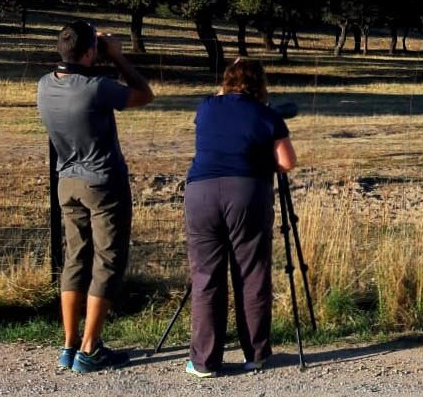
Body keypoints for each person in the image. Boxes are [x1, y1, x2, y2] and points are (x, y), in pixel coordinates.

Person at [37, 20, 155, 373]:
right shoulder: (97, 88)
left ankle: (69, 342)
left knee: (75, 258)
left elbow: (76, 73)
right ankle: (90, 348)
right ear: (90, 52)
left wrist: (93, 56)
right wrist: (118, 57)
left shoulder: (44, 85)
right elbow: (144, 94)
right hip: (102, 182)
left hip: (66, 180)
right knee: (107, 260)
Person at [184, 58, 296, 377]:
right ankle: (256, 353)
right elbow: (287, 162)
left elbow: (222, 98)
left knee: (206, 276)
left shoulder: (206, 107)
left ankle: (205, 360)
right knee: (251, 274)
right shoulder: (267, 115)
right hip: (247, 193)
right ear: (261, 86)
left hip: (201, 192)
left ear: (226, 81)